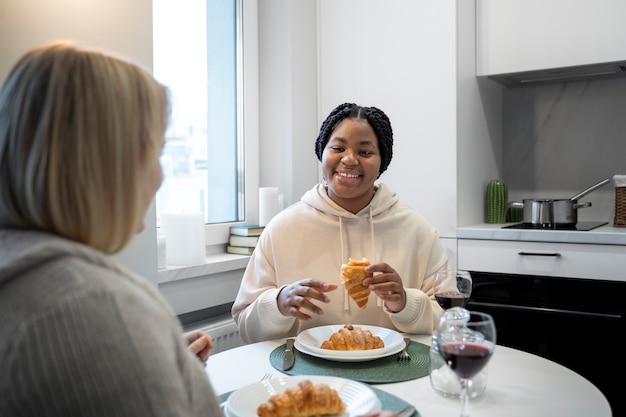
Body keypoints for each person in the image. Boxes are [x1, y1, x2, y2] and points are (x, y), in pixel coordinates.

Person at [0, 41, 218, 416]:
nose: (160, 177)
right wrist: (125, 343)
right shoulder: (93, 309)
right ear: (106, 162)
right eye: (155, 152)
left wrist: (151, 362)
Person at [232, 102, 451, 344]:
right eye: (337, 147)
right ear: (322, 153)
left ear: (382, 163)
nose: (349, 160)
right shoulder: (282, 229)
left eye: (365, 152)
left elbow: (450, 321)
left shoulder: (417, 230)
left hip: (395, 374)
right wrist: (278, 304)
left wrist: (405, 303)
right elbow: (245, 328)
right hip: (306, 374)